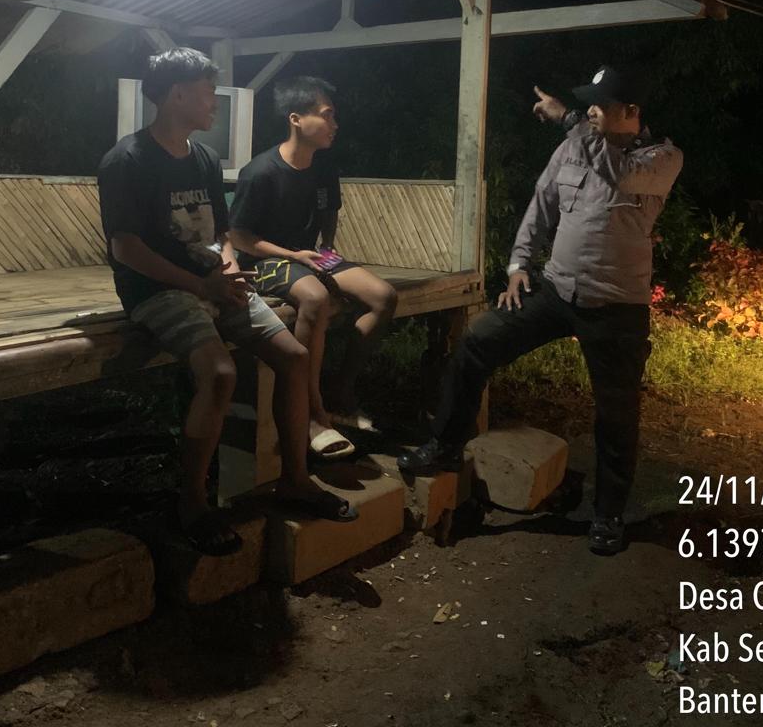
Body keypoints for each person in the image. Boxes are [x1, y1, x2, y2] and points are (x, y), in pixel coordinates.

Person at [398, 65, 683, 555]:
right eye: (588, 104)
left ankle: (608, 513)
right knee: (478, 341)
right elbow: (543, 203)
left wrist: (569, 120)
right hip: (557, 290)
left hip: (617, 307)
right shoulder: (574, 144)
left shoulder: (660, 157)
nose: (591, 111)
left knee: (616, 413)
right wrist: (517, 265)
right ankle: (444, 446)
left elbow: (616, 174)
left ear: (631, 111)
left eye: (601, 104)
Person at [97, 49, 356, 556]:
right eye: (207, 92)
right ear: (177, 95)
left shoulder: (204, 159)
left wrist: (229, 267)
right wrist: (202, 287)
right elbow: (125, 248)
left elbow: (222, 233)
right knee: (219, 374)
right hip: (156, 290)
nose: (215, 103)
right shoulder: (126, 161)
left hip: (213, 281)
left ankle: (295, 480)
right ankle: (192, 503)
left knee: (295, 357)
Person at [228, 75, 398, 460]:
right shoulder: (261, 172)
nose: (334, 124)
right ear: (296, 119)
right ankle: (311, 409)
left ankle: (341, 393)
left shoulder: (324, 166)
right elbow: (238, 236)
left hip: (312, 254)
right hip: (265, 260)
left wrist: (328, 248)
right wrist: (292, 256)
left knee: (383, 296)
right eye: (327, 115)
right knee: (316, 298)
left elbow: (329, 210)